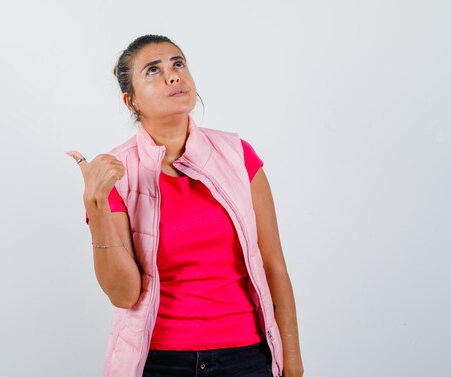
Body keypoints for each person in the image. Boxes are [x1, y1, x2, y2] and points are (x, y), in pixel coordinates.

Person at [66, 35, 303, 377]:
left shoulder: (238, 156)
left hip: (247, 358)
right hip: (159, 363)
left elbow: (273, 265)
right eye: (153, 70)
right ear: (130, 101)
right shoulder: (115, 173)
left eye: (178, 64)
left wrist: (293, 364)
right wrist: (96, 204)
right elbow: (124, 294)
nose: (173, 76)